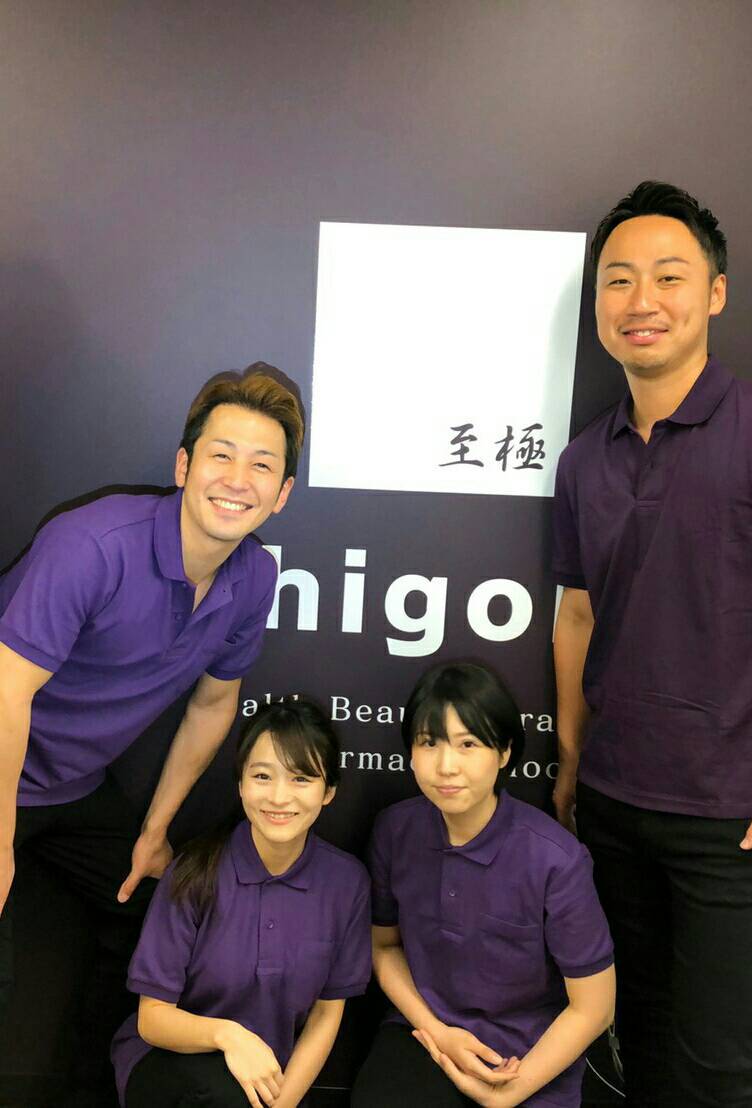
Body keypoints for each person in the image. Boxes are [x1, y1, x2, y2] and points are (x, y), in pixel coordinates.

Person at [551, 181, 752, 1105]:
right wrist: (571, 759)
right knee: (641, 1044)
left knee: (722, 1064)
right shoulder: (584, 458)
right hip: (614, 801)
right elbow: (578, 616)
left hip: (739, 816)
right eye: (617, 280)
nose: (640, 300)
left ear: (715, 292)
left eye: (667, 276)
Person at [0, 363, 301, 1099]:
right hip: (5, 776)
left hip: (71, 788)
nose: (238, 480)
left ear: (282, 494)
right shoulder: (92, 545)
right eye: (221, 455)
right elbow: (6, 694)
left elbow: (212, 706)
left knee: (152, 905)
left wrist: (155, 829)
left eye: (261, 466)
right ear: (183, 466)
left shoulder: (253, 578)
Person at [352, 662, 615, 1108]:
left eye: (468, 744)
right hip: (427, 1036)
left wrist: (508, 1093)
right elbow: (384, 947)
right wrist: (438, 1032)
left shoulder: (555, 858)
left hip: (529, 1057)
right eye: (429, 743)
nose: (446, 766)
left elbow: (594, 1008)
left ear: (504, 752)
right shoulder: (396, 830)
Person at [111, 697, 371, 1108]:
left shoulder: (346, 883)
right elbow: (152, 1019)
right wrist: (228, 1036)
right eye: (263, 776)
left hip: (267, 1083)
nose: (279, 797)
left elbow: (326, 1014)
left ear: (328, 792)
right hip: (171, 1062)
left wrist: (284, 1103)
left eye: (301, 778)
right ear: (241, 783)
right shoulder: (194, 871)